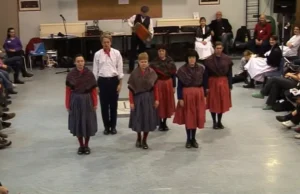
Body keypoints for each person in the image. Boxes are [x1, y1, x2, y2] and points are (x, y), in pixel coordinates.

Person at [173, 49, 206, 148]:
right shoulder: (182, 70)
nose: (192, 60)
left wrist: (205, 96)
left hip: (198, 94)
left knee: (196, 117)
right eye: (190, 58)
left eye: (193, 58)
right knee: (188, 117)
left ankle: (193, 139)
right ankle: (188, 139)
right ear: (187, 59)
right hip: (186, 95)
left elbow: (204, 84)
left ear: (196, 59)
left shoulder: (201, 69)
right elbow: (179, 86)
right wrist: (180, 98)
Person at [66, 54, 98, 155]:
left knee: (87, 122)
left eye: (82, 61)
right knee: (78, 123)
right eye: (78, 61)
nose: (80, 63)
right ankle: (81, 145)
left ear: (84, 62)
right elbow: (68, 91)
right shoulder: (71, 75)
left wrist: (95, 103)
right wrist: (67, 104)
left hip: (87, 100)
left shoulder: (89, 74)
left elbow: (93, 90)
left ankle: (87, 145)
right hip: (75, 100)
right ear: (75, 62)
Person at [93, 34, 124, 135]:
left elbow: (120, 69)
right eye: (104, 42)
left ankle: (113, 126)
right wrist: (96, 86)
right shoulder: (97, 54)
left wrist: (120, 83)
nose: (106, 44)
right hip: (102, 81)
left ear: (111, 42)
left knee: (113, 106)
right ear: (101, 43)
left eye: (108, 42)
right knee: (104, 106)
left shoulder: (117, 53)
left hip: (114, 81)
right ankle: (106, 126)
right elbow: (95, 71)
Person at [128, 52, 159, 149]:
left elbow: (156, 87)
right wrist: (131, 102)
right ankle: (138, 137)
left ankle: (145, 140)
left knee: (147, 119)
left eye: (145, 61)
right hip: (137, 98)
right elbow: (131, 89)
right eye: (142, 62)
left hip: (149, 98)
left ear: (148, 62)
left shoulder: (152, 73)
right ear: (138, 62)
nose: (144, 63)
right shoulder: (134, 73)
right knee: (138, 119)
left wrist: (157, 99)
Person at [204, 42, 233, 129]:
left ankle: (219, 121)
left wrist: (230, 85)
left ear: (222, 48)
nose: (218, 50)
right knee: (213, 102)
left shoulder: (227, 59)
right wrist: (206, 86)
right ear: (214, 48)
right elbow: (206, 75)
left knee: (221, 102)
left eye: (220, 48)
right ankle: (214, 122)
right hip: (212, 82)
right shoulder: (208, 60)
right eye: (217, 48)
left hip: (223, 82)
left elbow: (230, 73)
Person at [150, 45, 176, 131]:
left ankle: (164, 122)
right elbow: (151, 76)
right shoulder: (154, 63)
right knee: (159, 102)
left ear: (165, 52)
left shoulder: (170, 62)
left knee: (166, 103)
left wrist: (174, 86)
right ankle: (160, 122)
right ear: (157, 52)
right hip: (158, 84)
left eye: (163, 51)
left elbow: (173, 75)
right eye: (159, 51)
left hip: (168, 84)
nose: (161, 53)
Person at [127, 5, 154, 73]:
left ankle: (140, 68)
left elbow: (151, 29)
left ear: (147, 12)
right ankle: (131, 69)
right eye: (142, 12)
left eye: (145, 13)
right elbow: (128, 21)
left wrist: (150, 37)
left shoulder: (149, 19)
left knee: (142, 53)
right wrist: (132, 26)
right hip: (135, 37)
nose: (144, 14)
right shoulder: (135, 16)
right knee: (132, 52)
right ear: (141, 11)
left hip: (143, 38)